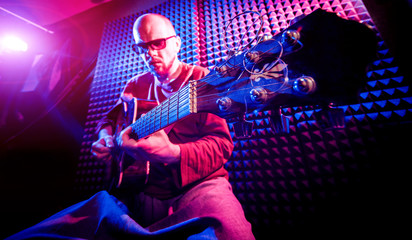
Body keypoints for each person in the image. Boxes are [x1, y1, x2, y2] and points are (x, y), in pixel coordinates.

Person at [6, 13, 254, 240]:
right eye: (142, 47)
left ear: (177, 43)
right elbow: (108, 120)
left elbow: (221, 146)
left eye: (157, 43)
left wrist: (173, 153)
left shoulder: (201, 79)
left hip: (198, 189)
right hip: (138, 189)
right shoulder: (134, 85)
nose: (150, 53)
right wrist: (105, 138)